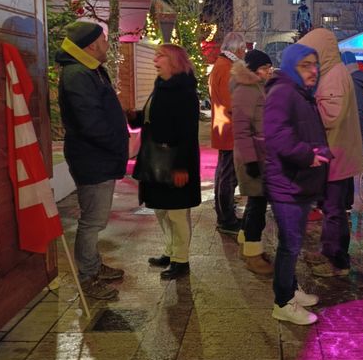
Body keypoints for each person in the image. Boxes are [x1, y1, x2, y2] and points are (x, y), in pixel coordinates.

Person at [56, 20, 129, 301]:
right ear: (89, 45)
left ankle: (93, 265)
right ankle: (87, 277)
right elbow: (90, 122)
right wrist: (117, 144)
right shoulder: (77, 74)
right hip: (93, 158)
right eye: (102, 41)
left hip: (99, 156)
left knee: (95, 219)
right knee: (92, 221)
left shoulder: (90, 70)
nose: (106, 45)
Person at [264, 43, 330, 325]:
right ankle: (282, 301)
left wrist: (321, 153)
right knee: (289, 245)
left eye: (315, 65)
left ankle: (290, 288)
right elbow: (277, 135)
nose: (313, 71)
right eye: (306, 65)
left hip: (298, 182)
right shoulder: (283, 93)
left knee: (293, 242)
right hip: (287, 184)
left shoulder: (300, 94)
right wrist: (307, 156)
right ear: (292, 66)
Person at [131, 44, 201, 280]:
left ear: (174, 60)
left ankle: (181, 259)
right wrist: (136, 117)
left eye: (159, 56)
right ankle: (170, 252)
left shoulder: (185, 91)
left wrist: (181, 166)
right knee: (162, 210)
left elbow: (188, 132)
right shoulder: (161, 85)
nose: (155, 60)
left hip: (175, 161)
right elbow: (154, 117)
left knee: (177, 213)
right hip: (155, 159)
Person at [298, 28, 363, 277]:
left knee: (334, 210)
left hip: (338, 155)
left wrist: (305, 109)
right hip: (336, 153)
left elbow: (330, 116)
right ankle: (329, 250)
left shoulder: (334, 76)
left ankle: (337, 260)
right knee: (331, 208)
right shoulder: (332, 73)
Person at [231, 49, 274, 275]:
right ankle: (252, 254)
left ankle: (246, 243)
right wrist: (250, 161)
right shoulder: (247, 90)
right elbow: (241, 131)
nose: (269, 71)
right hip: (253, 156)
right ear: (253, 69)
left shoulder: (255, 86)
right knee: (257, 205)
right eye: (265, 68)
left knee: (255, 203)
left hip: (258, 154)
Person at [209, 31, 247, 234]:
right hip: (228, 128)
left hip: (224, 126)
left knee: (224, 173)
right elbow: (230, 102)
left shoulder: (222, 65)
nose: (245, 53)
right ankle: (226, 218)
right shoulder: (226, 68)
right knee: (227, 175)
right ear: (238, 49)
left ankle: (224, 213)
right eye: (244, 49)